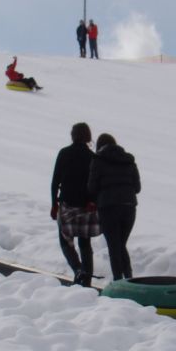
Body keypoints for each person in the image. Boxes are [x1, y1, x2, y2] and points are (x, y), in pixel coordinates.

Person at [50, 122, 100, 286]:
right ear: (88, 137)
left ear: (73, 136)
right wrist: (93, 201)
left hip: (67, 204)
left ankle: (78, 269)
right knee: (84, 242)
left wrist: (54, 204)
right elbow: (96, 184)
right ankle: (87, 280)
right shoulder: (92, 157)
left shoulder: (64, 153)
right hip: (86, 206)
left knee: (65, 241)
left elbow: (55, 181)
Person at [87, 133, 140, 281]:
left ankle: (119, 280)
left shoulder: (97, 160)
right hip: (129, 207)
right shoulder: (129, 160)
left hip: (108, 207)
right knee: (121, 244)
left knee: (114, 246)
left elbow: (92, 188)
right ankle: (129, 278)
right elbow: (137, 187)